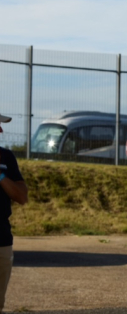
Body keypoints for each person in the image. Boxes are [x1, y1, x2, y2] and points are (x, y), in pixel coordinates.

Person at [0, 113, 28, 312]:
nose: (1, 130)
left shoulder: (7, 158)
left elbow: (21, 196)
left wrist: (1, 175)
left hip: (2, 241)